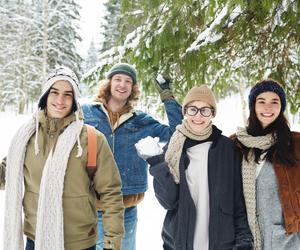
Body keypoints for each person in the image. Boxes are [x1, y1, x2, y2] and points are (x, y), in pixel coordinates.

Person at [2, 66, 124, 250]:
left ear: (74, 100)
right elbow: (6, 174)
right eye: (54, 92)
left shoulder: (92, 139)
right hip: (35, 240)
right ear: (45, 96)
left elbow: (111, 193)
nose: (60, 100)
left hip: (80, 243)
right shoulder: (26, 138)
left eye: (68, 94)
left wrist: (112, 243)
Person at [136, 85, 253, 250]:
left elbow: (237, 199)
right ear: (185, 112)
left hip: (221, 243)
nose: (198, 116)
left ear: (212, 113)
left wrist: (243, 240)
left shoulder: (227, 148)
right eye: (193, 109)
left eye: (205, 110)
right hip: (181, 242)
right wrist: (157, 164)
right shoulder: (173, 147)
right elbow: (169, 202)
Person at [82, 62, 182, 250]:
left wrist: (167, 97)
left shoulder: (141, 120)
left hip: (125, 207)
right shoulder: (86, 113)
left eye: (128, 81)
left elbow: (177, 133)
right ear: (109, 84)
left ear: (133, 88)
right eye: (118, 79)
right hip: (91, 206)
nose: (122, 85)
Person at [233, 79, 300, 250]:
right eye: (261, 101)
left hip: (287, 240)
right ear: (253, 106)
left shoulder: (295, 143)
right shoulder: (236, 144)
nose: (267, 107)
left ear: (281, 107)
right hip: (245, 241)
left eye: (274, 102)